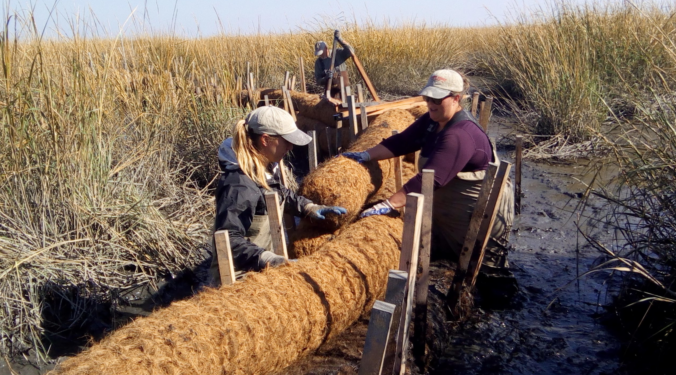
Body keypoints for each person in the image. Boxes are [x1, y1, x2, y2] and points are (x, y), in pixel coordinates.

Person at [341, 69, 512, 259]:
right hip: (448, 210)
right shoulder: (433, 121)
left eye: (437, 99)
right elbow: (403, 142)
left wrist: (389, 204)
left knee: (480, 266)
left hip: (475, 215)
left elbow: (430, 179)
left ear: (456, 98)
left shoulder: (460, 135)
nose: (430, 104)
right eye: (427, 98)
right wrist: (366, 155)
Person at [209, 106, 346, 284]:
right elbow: (228, 240)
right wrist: (269, 259)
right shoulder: (239, 184)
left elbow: (278, 192)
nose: (290, 147)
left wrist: (308, 207)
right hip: (238, 277)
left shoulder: (260, 166)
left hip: (257, 268)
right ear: (266, 140)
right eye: (286, 141)